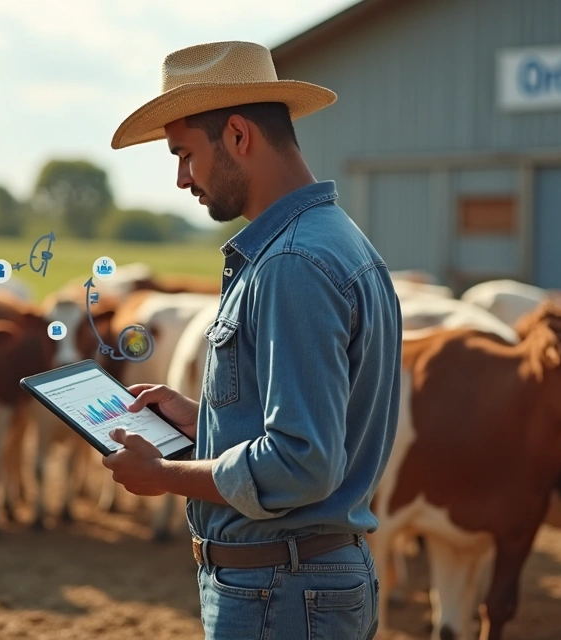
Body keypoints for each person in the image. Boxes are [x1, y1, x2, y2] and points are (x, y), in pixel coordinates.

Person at [101, 41, 403, 639]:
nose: (182, 178)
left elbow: (300, 464)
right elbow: (315, 430)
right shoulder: (335, 241)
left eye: (185, 154)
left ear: (238, 136)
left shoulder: (291, 263)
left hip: (279, 590)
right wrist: (203, 420)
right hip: (303, 582)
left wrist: (163, 475)